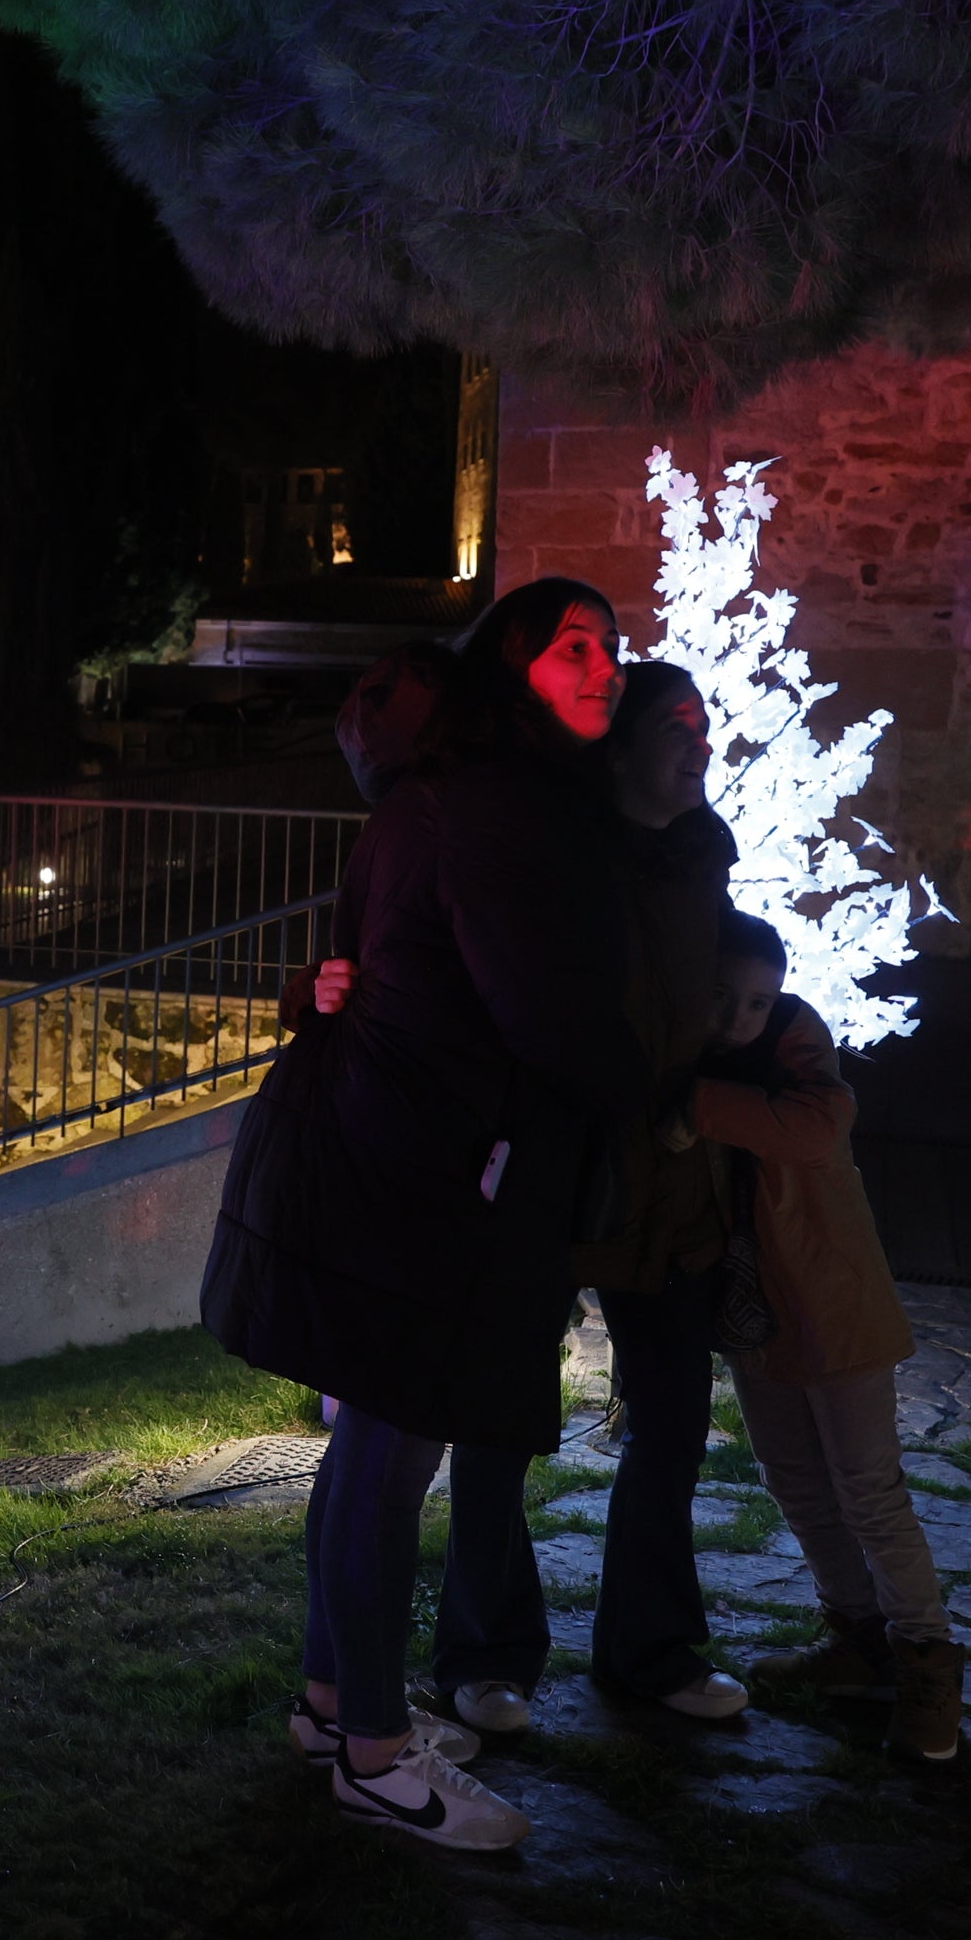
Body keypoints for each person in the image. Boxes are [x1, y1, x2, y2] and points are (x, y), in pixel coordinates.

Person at [203, 576, 644, 1852]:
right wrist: (634, 1081)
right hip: (428, 1174)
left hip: (397, 1157)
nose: (604, 669)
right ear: (509, 666)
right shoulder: (488, 810)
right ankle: (379, 1757)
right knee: (390, 1459)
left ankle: (336, 1705)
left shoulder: (444, 800)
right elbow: (537, 1007)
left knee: (370, 1454)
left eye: (613, 649)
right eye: (574, 648)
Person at [687, 913, 962, 1761]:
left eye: (759, 1002)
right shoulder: (700, 1053)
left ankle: (927, 1673)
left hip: (833, 1308)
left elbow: (809, 1130)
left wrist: (686, 1101)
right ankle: (855, 1638)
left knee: (870, 1491)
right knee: (796, 1481)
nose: (741, 1019)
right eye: (723, 1000)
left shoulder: (802, 1069)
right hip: (755, 1311)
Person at [569, 661, 749, 1716]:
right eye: (678, 723)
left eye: (707, 724)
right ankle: (482, 1654)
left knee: (674, 1419)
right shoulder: (571, 853)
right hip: (577, 1162)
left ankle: (651, 1647)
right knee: (500, 1427)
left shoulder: (700, 857)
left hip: (673, 1172)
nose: (701, 740)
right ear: (624, 742)